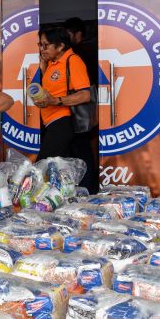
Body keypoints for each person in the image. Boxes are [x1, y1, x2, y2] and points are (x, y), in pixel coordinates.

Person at [31, 25, 92, 162]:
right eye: (40, 45)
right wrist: (44, 67)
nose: (42, 49)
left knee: (43, 166)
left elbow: (85, 95)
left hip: (62, 121)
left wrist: (56, 101)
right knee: (60, 168)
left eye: (46, 45)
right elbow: (55, 85)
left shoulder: (73, 61)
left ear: (60, 46)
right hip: (51, 122)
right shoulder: (53, 62)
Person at [64, 17, 99, 192]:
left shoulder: (76, 54)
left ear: (78, 34)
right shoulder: (90, 50)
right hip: (89, 107)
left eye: (68, 33)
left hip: (80, 106)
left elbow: (83, 91)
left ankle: (87, 189)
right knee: (84, 148)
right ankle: (89, 188)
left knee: (81, 149)